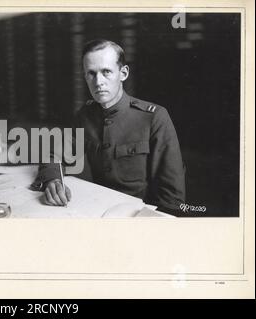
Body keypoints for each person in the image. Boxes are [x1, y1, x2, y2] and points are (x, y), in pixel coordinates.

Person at [32, 39, 186, 214]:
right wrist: (54, 180)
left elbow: (172, 196)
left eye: (106, 72)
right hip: (98, 210)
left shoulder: (154, 117)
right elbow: (55, 155)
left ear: (123, 73)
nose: (98, 82)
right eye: (91, 73)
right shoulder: (85, 115)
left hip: (140, 217)